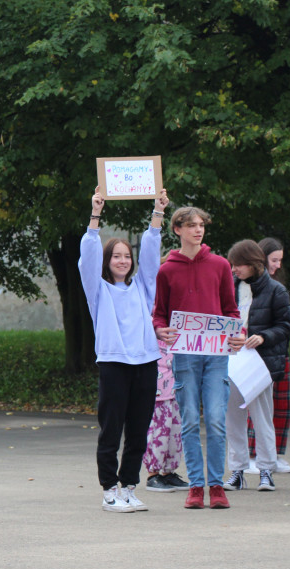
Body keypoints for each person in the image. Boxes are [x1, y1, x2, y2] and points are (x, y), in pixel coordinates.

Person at [79, 188, 167, 512]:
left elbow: (152, 255)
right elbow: (87, 258)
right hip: (115, 364)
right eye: (116, 256)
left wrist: (157, 213)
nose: (123, 260)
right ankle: (109, 490)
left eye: (126, 256)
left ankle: (130, 486)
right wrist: (95, 216)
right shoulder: (98, 290)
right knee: (112, 429)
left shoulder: (143, 286)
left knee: (139, 430)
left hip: (146, 362)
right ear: (107, 261)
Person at [153, 207, 245, 510]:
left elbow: (231, 311)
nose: (198, 230)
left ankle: (216, 485)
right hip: (184, 355)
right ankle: (195, 486)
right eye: (191, 225)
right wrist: (160, 329)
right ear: (177, 229)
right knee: (191, 419)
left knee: (217, 420)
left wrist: (237, 332)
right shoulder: (167, 269)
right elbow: (160, 314)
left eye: (201, 225)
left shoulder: (219, 265)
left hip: (216, 355)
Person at [222, 240, 290, 493]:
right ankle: (237, 471)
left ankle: (265, 469)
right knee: (233, 419)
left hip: (260, 364)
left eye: (238, 264)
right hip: (232, 361)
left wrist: (261, 337)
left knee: (262, 418)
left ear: (253, 263)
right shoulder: (230, 287)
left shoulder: (276, 291)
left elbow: (285, 326)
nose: (234, 269)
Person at [245, 237, 290, 475]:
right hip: (257, 354)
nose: (277, 266)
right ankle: (254, 454)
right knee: (257, 405)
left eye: (280, 261)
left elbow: (282, 322)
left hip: (278, 351)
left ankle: (275, 453)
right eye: (274, 260)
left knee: (281, 407)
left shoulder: (277, 287)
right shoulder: (249, 287)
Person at [143, 338, 188, 493]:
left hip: (177, 383)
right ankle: (153, 474)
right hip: (158, 386)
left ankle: (168, 472)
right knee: (158, 431)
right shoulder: (151, 319)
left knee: (176, 432)